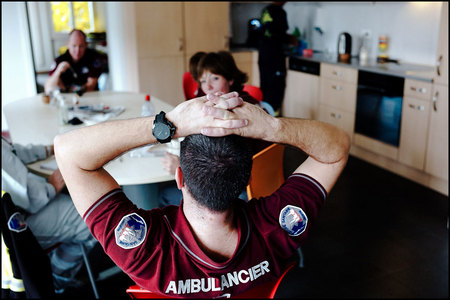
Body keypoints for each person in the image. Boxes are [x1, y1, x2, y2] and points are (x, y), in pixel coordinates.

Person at [54, 91, 350, 298]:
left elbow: (68, 152)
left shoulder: (145, 253)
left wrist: (167, 124)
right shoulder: (276, 228)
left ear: (179, 177)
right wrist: (272, 126)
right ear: (245, 178)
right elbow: (337, 149)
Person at [159, 50, 267, 207]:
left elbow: (219, 169)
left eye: (215, 78)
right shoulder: (245, 100)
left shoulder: (232, 112)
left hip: (238, 190)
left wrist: (181, 168)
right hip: (259, 178)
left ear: (230, 79)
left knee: (164, 195)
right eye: (203, 81)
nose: (208, 87)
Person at [1, 138, 97, 294]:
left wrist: (48, 149)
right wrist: (51, 187)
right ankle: (56, 278)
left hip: (13, 213)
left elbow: (11, 153)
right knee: (91, 218)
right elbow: (27, 195)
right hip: (13, 229)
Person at [258, 1, 298, 115]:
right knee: (275, 89)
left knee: (266, 87)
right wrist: (292, 40)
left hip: (264, 55)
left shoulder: (266, 10)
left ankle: (265, 116)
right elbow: (279, 34)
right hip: (274, 57)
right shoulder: (279, 12)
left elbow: (268, 31)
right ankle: (273, 119)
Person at [44, 29, 106, 95]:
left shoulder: (93, 57)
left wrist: (68, 89)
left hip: (89, 97)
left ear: (86, 45)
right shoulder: (60, 60)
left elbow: (90, 87)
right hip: (67, 100)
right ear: (68, 45)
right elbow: (48, 89)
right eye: (74, 46)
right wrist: (58, 71)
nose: (77, 50)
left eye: (81, 46)